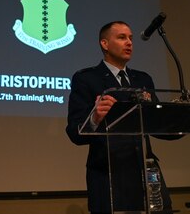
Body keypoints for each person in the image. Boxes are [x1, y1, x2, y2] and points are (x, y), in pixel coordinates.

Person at [66, 21, 176, 214]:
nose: (129, 43)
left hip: (146, 169)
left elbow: (156, 126)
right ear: (104, 44)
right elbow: (74, 132)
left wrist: (177, 117)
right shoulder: (86, 78)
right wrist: (94, 118)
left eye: (131, 38)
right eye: (122, 37)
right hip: (107, 173)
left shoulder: (143, 79)